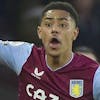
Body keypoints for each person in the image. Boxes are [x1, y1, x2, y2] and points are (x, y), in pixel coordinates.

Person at [0, 1, 100, 100]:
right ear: (40, 32)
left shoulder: (94, 75)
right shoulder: (25, 55)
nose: (54, 30)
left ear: (75, 33)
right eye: (48, 24)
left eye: (63, 25)